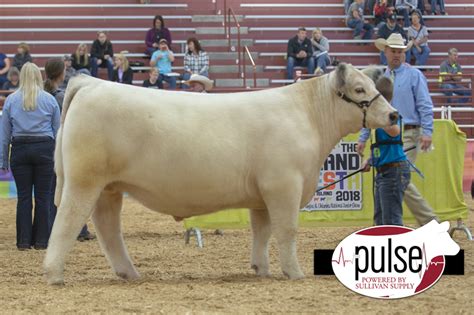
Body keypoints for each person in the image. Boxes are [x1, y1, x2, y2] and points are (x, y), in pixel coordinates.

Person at [359, 33, 438, 226]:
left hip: (409, 132)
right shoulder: (381, 78)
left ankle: (430, 223)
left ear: (404, 53)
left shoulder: (414, 75)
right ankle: (422, 223)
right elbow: (371, 110)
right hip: (386, 135)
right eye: (393, 51)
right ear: (385, 52)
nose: (396, 55)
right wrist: (363, 137)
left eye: (400, 52)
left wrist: (427, 131)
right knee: (397, 177)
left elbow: (425, 104)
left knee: (397, 174)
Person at [0, 62, 60, 250]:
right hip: (45, 148)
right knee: (43, 198)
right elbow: (57, 131)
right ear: (38, 76)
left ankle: (24, 241)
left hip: (20, 148)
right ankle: (42, 241)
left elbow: (4, 134)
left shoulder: (11, 100)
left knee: (24, 198)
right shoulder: (49, 99)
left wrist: (3, 159)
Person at [43, 58, 95, 242]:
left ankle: (49, 230)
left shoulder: (42, 93)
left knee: (50, 192)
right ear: (61, 73)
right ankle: (79, 230)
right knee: (72, 190)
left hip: (45, 146)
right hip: (65, 147)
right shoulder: (62, 97)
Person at [362, 117, 410, 226]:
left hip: (393, 170)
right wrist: (370, 161)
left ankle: (395, 242)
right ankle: (385, 242)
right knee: (380, 218)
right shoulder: (376, 123)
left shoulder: (391, 117)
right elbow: (379, 148)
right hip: (384, 171)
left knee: (391, 219)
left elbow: (395, 132)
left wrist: (379, 118)